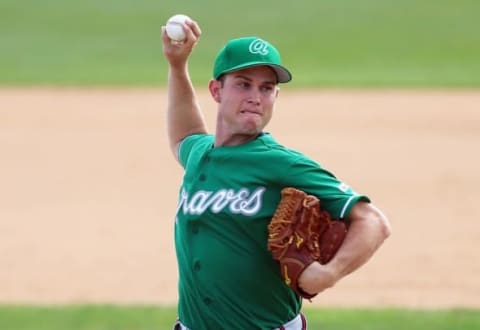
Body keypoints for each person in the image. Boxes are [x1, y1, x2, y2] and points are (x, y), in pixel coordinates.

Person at [161, 17, 391, 330]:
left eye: (266, 88)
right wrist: (177, 67)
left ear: (275, 97)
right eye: (244, 84)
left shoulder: (282, 164)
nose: (255, 97)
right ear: (216, 90)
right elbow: (183, 134)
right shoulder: (200, 154)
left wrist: (329, 274)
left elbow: (373, 221)